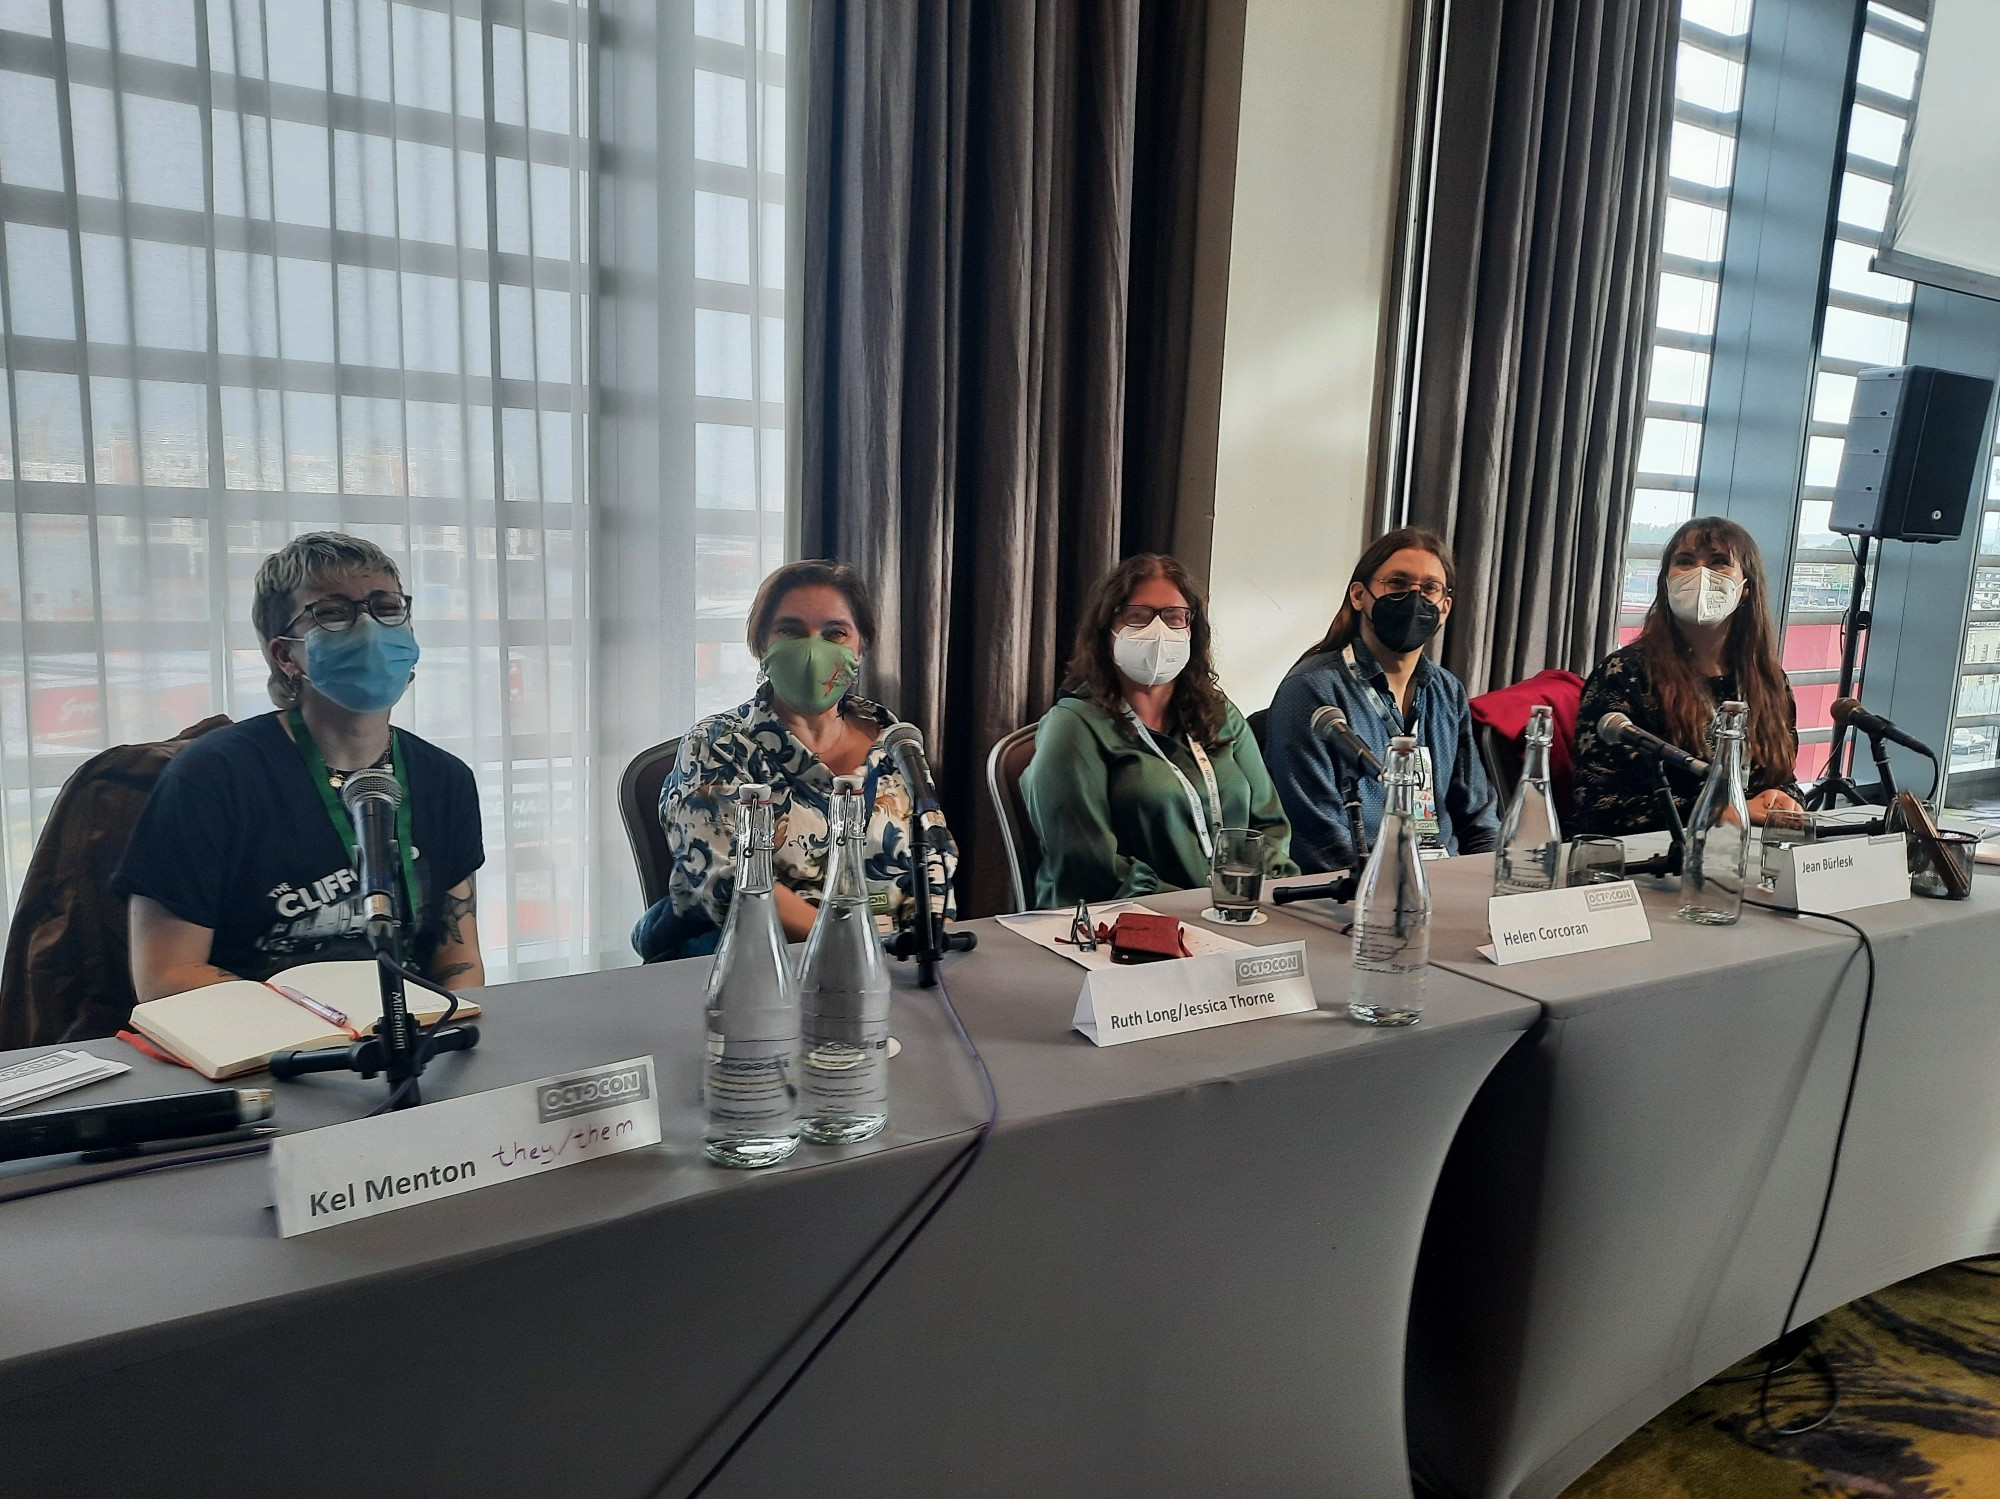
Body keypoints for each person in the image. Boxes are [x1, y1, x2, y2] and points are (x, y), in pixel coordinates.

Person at [114, 533, 484, 1000]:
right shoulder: (211, 777)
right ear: (286, 655)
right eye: (332, 613)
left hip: (409, 1040)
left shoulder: (445, 779)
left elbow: (458, 960)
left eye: (385, 607)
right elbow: (166, 978)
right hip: (264, 1051)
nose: (368, 628)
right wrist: (334, 1021)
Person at [656, 560, 954, 952]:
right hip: (752, 968)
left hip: (893, 967)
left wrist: (927, 939)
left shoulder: (894, 741)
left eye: (835, 633)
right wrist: (857, 949)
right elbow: (728, 882)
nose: (814, 649)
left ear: (861, 646)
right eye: (791, 631)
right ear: (761, 643)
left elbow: (935, 856)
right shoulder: (718, 744)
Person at [1020, 553, 1297, 907]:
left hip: (1235, 913)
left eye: (1174, 617)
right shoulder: (1073, 726)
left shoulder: (1219, 713)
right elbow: (1089, 866)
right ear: (1107, 629)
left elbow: (1269, 826)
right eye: (1138, 615)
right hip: (1128, 921)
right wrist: (1194, 909)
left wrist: (1261, 895)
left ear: (1191, 628)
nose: (1159, 631)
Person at [1265, 527, 1498, 873]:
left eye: (1429, 588)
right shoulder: (1312, 690)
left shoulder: (1448, 692)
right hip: (1359, 892)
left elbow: (1479, 815)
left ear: (1445, 608)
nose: (1414, 598)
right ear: (1359, 595)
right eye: (1398, 584)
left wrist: (1491, 884)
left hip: (1447, 883)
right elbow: (1320, 839)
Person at [1571, 516, 1802, 835]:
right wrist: (1721, 813)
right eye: (1685, 561)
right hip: (1657, 860)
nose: (1701, 573)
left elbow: (1783, 780)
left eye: (1719, 562)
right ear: (1666, 581)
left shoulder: (1770, 681)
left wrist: (1784, 800)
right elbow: (1599, 805)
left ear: (1745, 589)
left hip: (1751, 855)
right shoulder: (1623, 675)